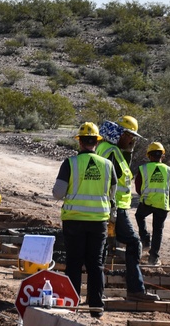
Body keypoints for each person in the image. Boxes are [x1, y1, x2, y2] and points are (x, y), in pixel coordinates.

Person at [53, 121, 117, 318]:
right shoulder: (107, 165)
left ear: (80, 142)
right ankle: (96, 308)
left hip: (74, 221)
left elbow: (58, 193)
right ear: (96, 143)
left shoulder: (70, 163)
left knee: (74, 262)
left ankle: (72, 305)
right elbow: (113, 193)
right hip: (98, 222)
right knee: (95, 264)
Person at [96, 115, 160, 302]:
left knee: (103, 248)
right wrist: (112, 210)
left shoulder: (108, 149)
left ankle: (96, 294)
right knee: (133, 243)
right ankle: (135, 290)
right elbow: (108, 181)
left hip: (110, 207)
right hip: (114, 208)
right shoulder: (112, 152)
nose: (132, 140)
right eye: (130, 135)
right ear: (121, 134)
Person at [135, 142, 170, 267]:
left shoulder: (143, 169)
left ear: (149, 156)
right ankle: (154, 258)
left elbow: (138, 187)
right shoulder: (169, 170)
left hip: (147, 202)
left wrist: (145, 195)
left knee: (139, 216)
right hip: (162, 204)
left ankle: (145, 239)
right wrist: (163, 198)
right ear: (162, 156)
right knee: (158, 230)